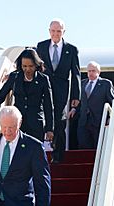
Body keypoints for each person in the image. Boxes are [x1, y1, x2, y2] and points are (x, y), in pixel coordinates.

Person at [37, 18, 81, 162]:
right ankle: (41, 153)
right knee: (44, 119)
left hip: (62, 91)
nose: (56, 34)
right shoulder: (41, 46)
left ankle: (58, 157)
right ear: (49, 31)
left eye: (59, 31)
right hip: (44, 89)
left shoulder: (71, 49)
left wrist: (76, 96)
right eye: (53, 31)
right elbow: (34, 67)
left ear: (64, 32)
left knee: (60, 121)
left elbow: (76, 74)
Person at [0, 48, 54, 142]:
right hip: (17, 123)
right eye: (24, 66)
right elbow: (0, 96)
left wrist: (49, 129)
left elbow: (48, 105)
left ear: (36, 65)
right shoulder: (14, 77)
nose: (27, 69)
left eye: (31, 66)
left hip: (35, 124)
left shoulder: (43, 80)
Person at [76, 61, 114, 149]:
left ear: (99, 72)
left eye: (93, 71)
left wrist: (110, 118)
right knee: (83, 144)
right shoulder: (82, 83)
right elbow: (80, 101)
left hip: (99, 121)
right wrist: (74, 109)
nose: (90, 73)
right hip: (84, 121)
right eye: (89, 71)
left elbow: (112, 102)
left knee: (98, 146)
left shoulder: (106, 84)